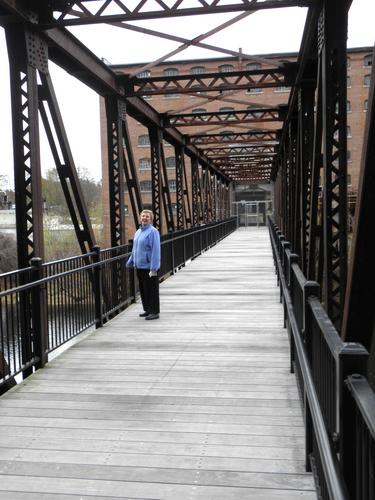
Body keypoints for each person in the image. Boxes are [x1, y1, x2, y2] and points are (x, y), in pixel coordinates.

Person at [126, 209, 161, 320]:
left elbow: (156, 250)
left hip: (149, 267)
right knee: (144, 289)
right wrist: (131, 260)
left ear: (151, 219)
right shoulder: (138, 232)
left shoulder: (153, 232)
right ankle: (147, 309)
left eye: (147, 216)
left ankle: (154, 311)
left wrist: (154, 268)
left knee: (152, 289)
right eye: (143, 216)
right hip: (139, 266)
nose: (144, 218)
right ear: (140, 218)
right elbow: (135, 249)